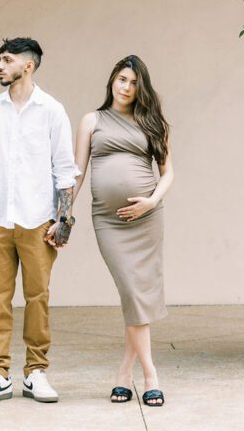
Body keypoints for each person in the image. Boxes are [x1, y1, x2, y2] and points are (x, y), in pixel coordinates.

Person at [0, 37, 78, 405]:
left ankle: (36, 372)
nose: (0, 66)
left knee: (37, 298)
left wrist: (63, 221)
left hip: (37, 221)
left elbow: (65, 171)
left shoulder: (52, 110)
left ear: (27, 66)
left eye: (7, 59)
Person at [72, 55, 173, 408]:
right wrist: (64, 213)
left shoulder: (152, 123)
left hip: (146, 219)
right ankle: (151, 374)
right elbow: (78, 172)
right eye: (122, 79)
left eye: (133, 83)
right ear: (112, 79)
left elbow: (168, 173)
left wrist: (150, 202)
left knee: (136, 297)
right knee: (132, 291)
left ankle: (127, 375)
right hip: (110, 221)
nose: (126, 88)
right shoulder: (92, 120)